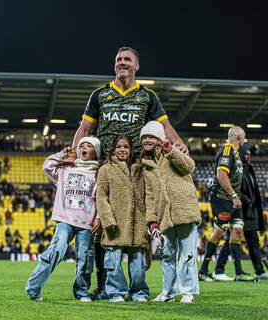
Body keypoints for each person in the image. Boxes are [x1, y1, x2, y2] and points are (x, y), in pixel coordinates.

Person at [71, 46, 188, 299]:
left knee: (139, 225)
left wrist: (179, 144)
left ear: (136, 66)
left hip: (137, 170)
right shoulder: (100, 95)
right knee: (103, 227)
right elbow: (85, 129)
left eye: (127, 60)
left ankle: (138, 285)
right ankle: (104, 286)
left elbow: (165, 126)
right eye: (118, 60)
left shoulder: (147, 96)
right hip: (106, 168)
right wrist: (74, 154)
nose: (122, 63)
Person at [25, 137, 101, 302]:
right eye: (82, 146)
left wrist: (99, 217)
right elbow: (47, 166)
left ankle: (81, 293)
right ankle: (34, 288)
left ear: (96, 152)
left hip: (87, 224)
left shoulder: (98, 174)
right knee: (55, 251)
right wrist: (61, 154)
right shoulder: (66, 169)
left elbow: (102, 198)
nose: (84, 148)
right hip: (65, 221)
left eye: (89, 146)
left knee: (85, 259)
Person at [140, 121, 201, 303]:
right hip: (164, 216)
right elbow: (149, 197)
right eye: (144, 138)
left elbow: (189, 166)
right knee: (167, 256)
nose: (147, 140)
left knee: (187, 254)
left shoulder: (173, 152)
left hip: (185, 211)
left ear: (160, 138)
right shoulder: (146, 165)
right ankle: (168, 293)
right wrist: (152, 221)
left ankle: (188, 292)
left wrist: (171, 151)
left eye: (151, 136)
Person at [96, 135, 153, 302]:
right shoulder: (105, 169)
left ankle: (139, 293)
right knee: (113, 262)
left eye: (125, 147)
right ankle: (116, 293)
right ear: (113, 149)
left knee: (138, 266)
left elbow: (147, 195)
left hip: (137, 223)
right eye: (119, 147)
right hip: (115, 224)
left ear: (131, 150)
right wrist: (108, 220)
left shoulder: (139, 169)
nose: (122, 150)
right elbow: (101, 197)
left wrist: (148, 220)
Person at [199, 126, 253, 281]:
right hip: (223, 198)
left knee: (237, 232)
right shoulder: (227, 150)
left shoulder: (236, 154)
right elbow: (221, 175)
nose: (245, 140)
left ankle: (239, 272)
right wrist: (234, 195)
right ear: (238, 137)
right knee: (219, 233)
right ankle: (203, 271)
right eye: (244, 137)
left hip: (233, 200)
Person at [213, 145, 268, 280]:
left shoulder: (248, 170)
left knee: (245, 240)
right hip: (241, 210)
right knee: (235, 240)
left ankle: (257, 270)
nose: (249, 156)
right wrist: (248, 201)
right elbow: (237, 190)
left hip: (249, 212)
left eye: (250, 154)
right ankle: (220, 269)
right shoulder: (239, 170)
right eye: (246, 154)